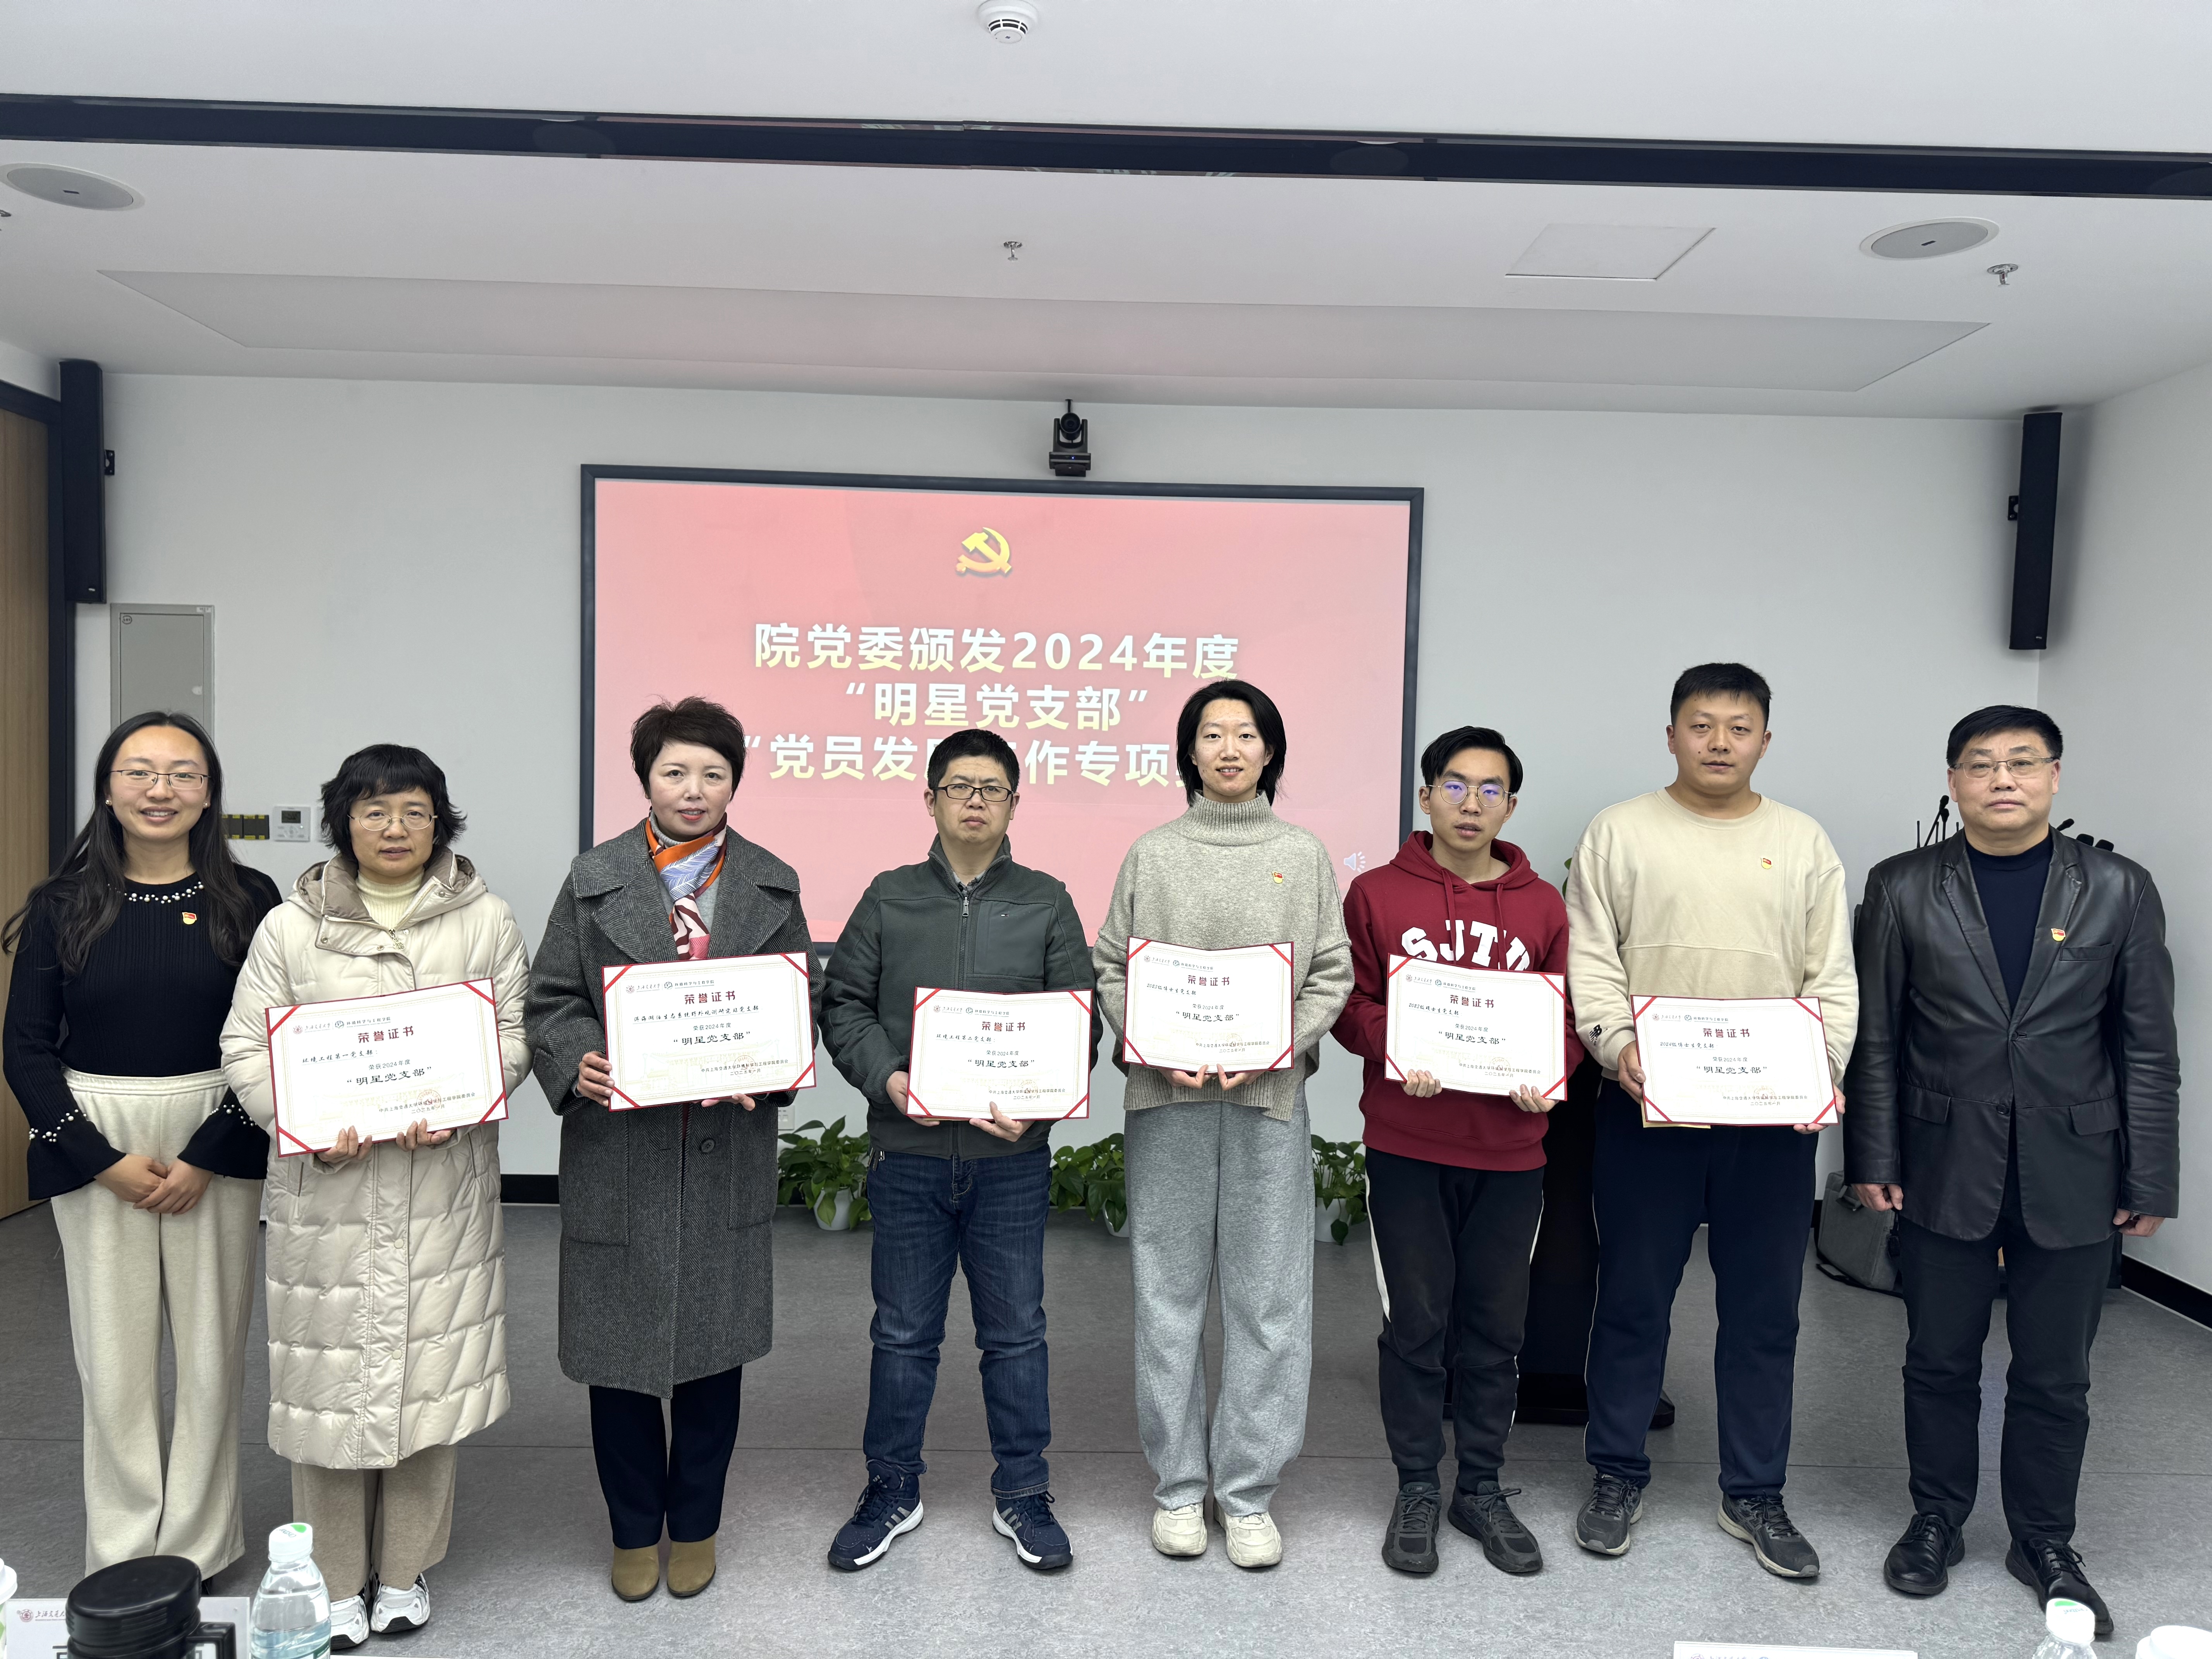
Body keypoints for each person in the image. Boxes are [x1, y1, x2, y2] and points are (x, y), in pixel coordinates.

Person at [1845, 706, 2176, 1639]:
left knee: (2057, 1375)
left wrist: (2150, 1176)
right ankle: (1937, 1520)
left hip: (2077, 1166)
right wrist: (1873, 1157)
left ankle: (2045, 1541)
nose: (2003, 780)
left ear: (2055, 776)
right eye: (1981, 765)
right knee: (1937, 1361)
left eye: (2022, 763)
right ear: (1953, 782)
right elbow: (1878, 1038)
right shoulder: (1903, 886)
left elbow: (2147, 1046)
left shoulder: (2119, 888)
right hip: (1943, 1160)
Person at [222, 744, 529, 1650]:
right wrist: (303, 1121)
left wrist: (461, 1101)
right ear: (343, 822)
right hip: (330, 1196)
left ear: (440, 822)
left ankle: (404, 1572)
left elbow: (512, 1036)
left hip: (443, 1194)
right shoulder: (291, 928)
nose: (395, 829)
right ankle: (333, 1580)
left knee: (429, 1386)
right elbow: (245, 1046)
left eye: (414, 812)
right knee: (327, 1397)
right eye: (374, 812)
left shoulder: (486, 919)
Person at [1564, 663, 1856, 1579]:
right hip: (1647, 1110)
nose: (1720, 742)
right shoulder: (1620, 831)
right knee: (1633, 1301)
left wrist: (1820, 1073)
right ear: (1671, 736)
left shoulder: (1802, 842)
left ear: (1765, 740)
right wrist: (1617, 1047)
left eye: (1739, 727)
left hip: (1770, 1126)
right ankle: (1616, 1473)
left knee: (1766, 1312)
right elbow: (1591, 961)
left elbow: (1832, 976)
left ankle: (1755, 1490)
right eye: (1701, 725)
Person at [526, 697, 815, 1604]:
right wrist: (579, 1058)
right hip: (621, 1150)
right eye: (675, 772)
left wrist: (769, 1067)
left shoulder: (771, 882)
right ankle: (630, 1528)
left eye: (713, 774)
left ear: (736, 783)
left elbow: (796, 1007)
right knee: (616, 1357)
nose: (694, 790)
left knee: (712, 1356)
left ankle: (695, 1523)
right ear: (646, 779)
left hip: (725, 1147)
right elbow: (551, 1000)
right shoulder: (594, 878)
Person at [2, 712, 279, 1582]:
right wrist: (100, 1160)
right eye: (140, 771)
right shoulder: (61, 905)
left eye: (183, 773)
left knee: (210, 1356)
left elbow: (276, 1038)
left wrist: (207, 1154)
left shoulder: (253, 899)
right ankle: (123, 1549)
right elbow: (26, 1048)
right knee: (112, 1361)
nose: (161, 790)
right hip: (97, 1132)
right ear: (108, 787)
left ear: (210, 792)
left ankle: (199, 1546)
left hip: (220, 1128)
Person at [818, 728, 1099, 1574]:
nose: (976, 801)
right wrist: (890, 1080)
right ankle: (891, 1488)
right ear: (931, 799)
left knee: (1016, 1334)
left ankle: (1024, 1492)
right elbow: (844, 1005)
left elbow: (1079, 1023)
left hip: (1010, 1163)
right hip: (907, 1154)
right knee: (903, 1334)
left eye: (993, 789)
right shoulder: (888, 897)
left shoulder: (1047, 901)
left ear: (1015, 804)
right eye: (959, 787)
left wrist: (1036, 1112)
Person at [1093, 679, 1353, 1570]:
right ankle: (1177, 1487)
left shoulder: (1302, 855)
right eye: (1213, 735)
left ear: (1270, 751)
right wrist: (1150, 1041)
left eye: (1247, 735)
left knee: (1268, 1299)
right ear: (1189, 753)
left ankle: (1247, 1493)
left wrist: (1281, 1045)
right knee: (1167, 1297)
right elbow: (1112, 967)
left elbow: (1331, 972)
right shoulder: (1154, 854)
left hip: (1266, 1103)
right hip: (1166, 1102)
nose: (1230, 749)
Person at [1332, 725, 1581, 1578]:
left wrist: (1548, 1074)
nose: (1471, 804)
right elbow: (1350, 1005)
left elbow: (1567, 1020)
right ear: (1426, 795)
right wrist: (1401, 1045)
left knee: (1496, 1329)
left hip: (1511, 1153)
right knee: (1417, 1324)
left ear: (1511, 805)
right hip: (1408, 1145)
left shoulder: (1543, 907)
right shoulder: (1375, 893)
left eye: (1490, 789)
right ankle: (1416, 1488)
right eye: (1455, 785)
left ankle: (1480, 1486)